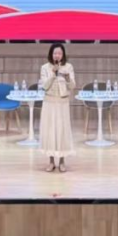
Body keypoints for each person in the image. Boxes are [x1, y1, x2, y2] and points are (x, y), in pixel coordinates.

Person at [38, 43, 75, 173]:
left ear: (63, 54)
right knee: (50, 131)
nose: (57, 55)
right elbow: (45, 86)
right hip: (49, 102)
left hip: (62, 103)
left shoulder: (68, 67)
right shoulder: (44, 68)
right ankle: (51, 162)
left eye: (59, 53)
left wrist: (68, 78)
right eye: (55, 53)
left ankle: (62, 161)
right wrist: (53, 73)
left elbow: (72, 86)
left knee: (62, 131)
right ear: (51, 54)